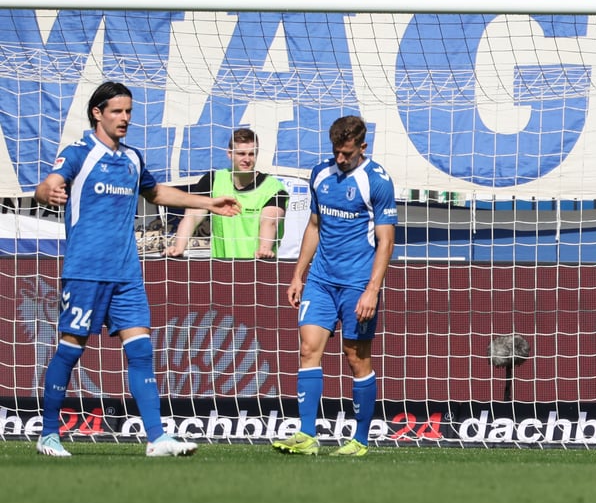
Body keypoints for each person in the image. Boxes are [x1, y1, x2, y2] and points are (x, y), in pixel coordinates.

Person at [33, 81, 240, 457]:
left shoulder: (132, 158)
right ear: (97, 113)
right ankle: (48, 434)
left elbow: (156, 193)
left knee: (141, 350)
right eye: (117, 111)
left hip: (127, 271)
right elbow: (48, 185)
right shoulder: (80, 152)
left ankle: (157, 438)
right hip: (86, 270)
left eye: (128, 111)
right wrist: (49, 191)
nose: (125, 118)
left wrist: (208, 203)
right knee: (71, 349)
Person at [271, 115, 397, 457]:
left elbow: (386, 241)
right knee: (308, 349)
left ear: (362, 147)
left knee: (356, 358)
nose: (340, 159)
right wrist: (299, 274)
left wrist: (372, 290)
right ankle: (307, 435)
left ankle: (359, 440)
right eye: (336, 152)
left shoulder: (377, 182)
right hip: (322, 281)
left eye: (347, 153)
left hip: (358, 283)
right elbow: (314, 225)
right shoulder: (320, 175)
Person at [164, 128, 288, 259]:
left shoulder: (273, 187)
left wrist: (264, 249)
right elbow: (192, 216)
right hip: (222, 268)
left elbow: (269, 222)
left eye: (251, 154)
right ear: (230, 154)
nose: (247, 159)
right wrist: (179, 247)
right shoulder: (213, 180)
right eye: (241, 153)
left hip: (259, 266)